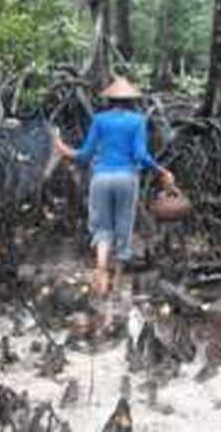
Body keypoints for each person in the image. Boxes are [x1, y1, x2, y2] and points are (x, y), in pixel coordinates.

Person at [54, 76, 175, 296]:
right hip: (127, 179)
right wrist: (161, 170)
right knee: (123, 226)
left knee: (101, 227)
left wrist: (64, 149)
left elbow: (84, 155)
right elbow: (140, 155)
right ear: (131, 101)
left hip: (101, 178)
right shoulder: (138, 121)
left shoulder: (99, 120)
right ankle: (117, 283)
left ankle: (100, 273)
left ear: (109, 100)